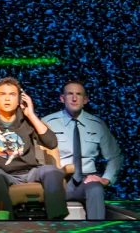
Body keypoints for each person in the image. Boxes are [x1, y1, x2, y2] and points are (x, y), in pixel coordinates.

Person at [0, 77, 66, 220]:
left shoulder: (27, 120)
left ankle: (56, 221)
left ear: (20, 99)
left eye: (12, 94)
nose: (7, 99)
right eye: (3, 94)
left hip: (30, 171)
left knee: (52, 171)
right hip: (3, 174)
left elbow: (51, 143)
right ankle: (7, 223)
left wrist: (31, 114)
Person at [42, 80, 122, 220]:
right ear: (62, 98)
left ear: (85, 99)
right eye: (70, 94)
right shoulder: (47, 123)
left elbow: (115, 156)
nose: (74, 98)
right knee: (50, 192)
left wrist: (106, 179)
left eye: (78, 94)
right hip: (59, 179)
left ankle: (95, 229)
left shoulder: (97, 125)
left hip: (87, 179)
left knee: (96, 189)